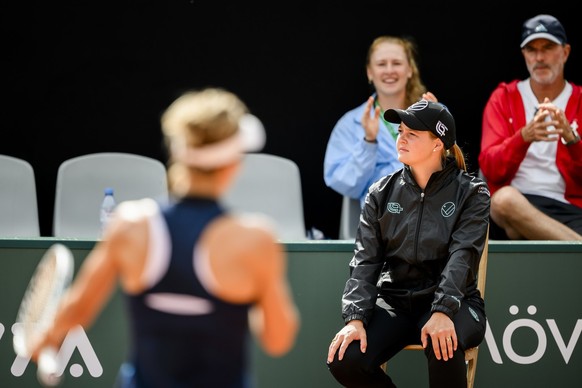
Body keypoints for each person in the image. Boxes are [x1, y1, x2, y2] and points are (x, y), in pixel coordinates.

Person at [30, 87, 300, 387]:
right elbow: (278, 340)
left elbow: (78, 309)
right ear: (233, 163)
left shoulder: (129, 225)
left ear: (177, 154)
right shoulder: (256, 238)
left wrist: (46, 339)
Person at [326, 100, 490, 388]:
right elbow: (365, 261)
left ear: (438, 144)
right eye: (400, 131)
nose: (400, 139)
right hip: (395, 302)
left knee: (445, 344)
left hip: (457, 302)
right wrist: (355, 318)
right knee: (345, 359)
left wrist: (442, 310)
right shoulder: (381, 192)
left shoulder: (472, 193)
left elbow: (462, 257)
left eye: (411, 134)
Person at [479, 14, 582, 240]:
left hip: (570, 209)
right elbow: (489, 168)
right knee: (504, 200)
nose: (539, 57)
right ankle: (576, 247)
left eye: (547, 48)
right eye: (532, 50)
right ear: (524, 55)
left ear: (565, 52)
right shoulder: (503, 97)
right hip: (514, 205)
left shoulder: (580, 100)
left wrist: (572, 140)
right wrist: (523, 137)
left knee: (514, 222)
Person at [323, 35, 437, 208]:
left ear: (409, 70)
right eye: (381, 64)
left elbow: (452, 173)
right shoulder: (349, 124)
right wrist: (368, 143)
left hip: (430, 213)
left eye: (397, 63)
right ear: (370, 72)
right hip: (381, 221)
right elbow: (343, 184)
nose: (389, 70)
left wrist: (434, 130)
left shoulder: (433, 111)